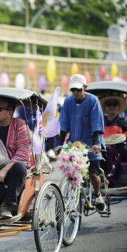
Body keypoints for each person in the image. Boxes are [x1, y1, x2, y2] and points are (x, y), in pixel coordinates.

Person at [58, 74, 105, 211]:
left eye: (79, 89)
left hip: (92, 143)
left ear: (85, 87)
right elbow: (63, 124)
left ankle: (97, 194)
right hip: (74, 144)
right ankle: (72, 197)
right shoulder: (68, 101)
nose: (76, 93)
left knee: (93, 173)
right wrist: (60, 144)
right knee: (70, 172)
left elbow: (96, 123)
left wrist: (96, 144)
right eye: (73, 90)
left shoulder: (93, 101)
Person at [0, 98, 30, 219]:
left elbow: (23, 152)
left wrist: (4, 170)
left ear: (10, 112)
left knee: (20, 168)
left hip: (12, 170)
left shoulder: (20, 125)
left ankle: (7, 206)